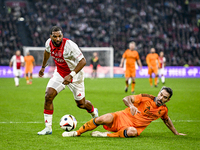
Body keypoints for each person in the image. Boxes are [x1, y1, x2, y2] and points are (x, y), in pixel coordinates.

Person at [37, 26, 98, 135]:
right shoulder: (48, 43)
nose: (57, 39)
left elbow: (83, 61)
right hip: (60, 73)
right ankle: (48, 128)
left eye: (59, 36)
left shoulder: (70, 45)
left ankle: (94, 112)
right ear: (51, 36)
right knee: (48, 95)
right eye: (55, 36)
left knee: (81, 104)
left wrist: (71, 75)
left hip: (75, 76)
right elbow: (47, 52)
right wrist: (43, 67)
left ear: (62, 35)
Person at [62, 86, 186, 138]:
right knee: (102, 119)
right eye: (161, 94)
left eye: (164, 97)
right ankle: (76, 133)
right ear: (158, 93)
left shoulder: (163, 110)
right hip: (121, 117)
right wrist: (131, 105)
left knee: (132, 132)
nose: (161, 98)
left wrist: (176, 133)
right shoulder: (145, 97)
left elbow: (167, 120)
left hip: (132, 127)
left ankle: (105, 135)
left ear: (167, 100)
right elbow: (126, 98)